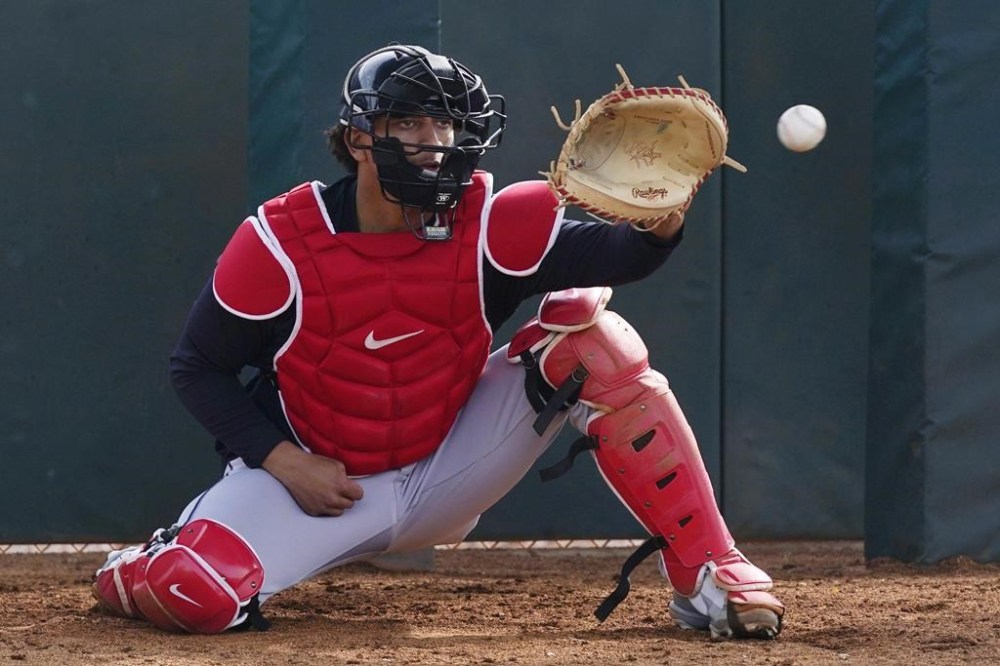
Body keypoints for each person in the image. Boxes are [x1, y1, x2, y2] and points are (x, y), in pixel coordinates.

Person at [92, 44, 784, 639]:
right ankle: (138, 568)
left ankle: (711, 573)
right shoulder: (280, 242)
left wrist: (659, 220)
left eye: (445, 123)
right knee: (192, 593)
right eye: (409, 121)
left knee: (592, 338)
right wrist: (282, 461)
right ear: (360, 137)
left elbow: (622, 257)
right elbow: (198, 367)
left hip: (447, 465)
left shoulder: (491, 221)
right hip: (316, 485)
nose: (434, 139)